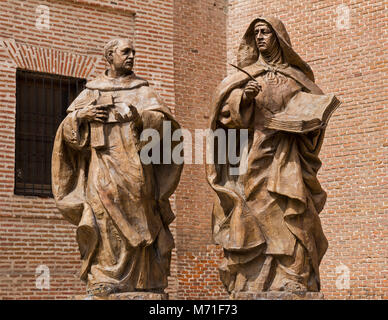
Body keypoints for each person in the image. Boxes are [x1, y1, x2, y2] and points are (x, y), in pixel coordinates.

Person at [206, 17, 329, 294]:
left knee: (291, 210)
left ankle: (293, 276)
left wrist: (310, 121)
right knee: (251, 209)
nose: (260, 37)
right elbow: (225, 117)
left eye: (266, 32)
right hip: (255, 152)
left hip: (287, 154)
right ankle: (254, 279)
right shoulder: (245, 76)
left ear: (278, 38)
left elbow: (314, 111)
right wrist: (244, 98)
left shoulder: (296, 78)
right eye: (256, 33)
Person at [52, 38, 182, 296]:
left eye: (134, 51)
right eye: (126, 52)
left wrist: (139, 117)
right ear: (109, 56)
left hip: (136, 171)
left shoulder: (143, 90)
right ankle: (104, 275)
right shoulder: (91, 91)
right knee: (103, 217)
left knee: (140, 217)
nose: (132, 56)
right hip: (102, 168)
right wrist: (81, 116)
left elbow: (165, 125)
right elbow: (68, 135)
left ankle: (144, 279)